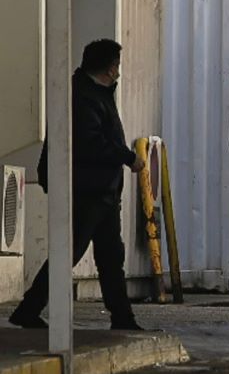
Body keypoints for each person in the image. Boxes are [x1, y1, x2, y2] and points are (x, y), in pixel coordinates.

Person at [9, 39, 146, 331]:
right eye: (117, 66)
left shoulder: (92, 92)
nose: (119, 72)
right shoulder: (83, 97)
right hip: (86, 191)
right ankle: (28, 309)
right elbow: (92, 144)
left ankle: (122, 318)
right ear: (110, 68)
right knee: (71, 253)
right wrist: (128, 157)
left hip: (102, 192)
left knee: (109, 257)